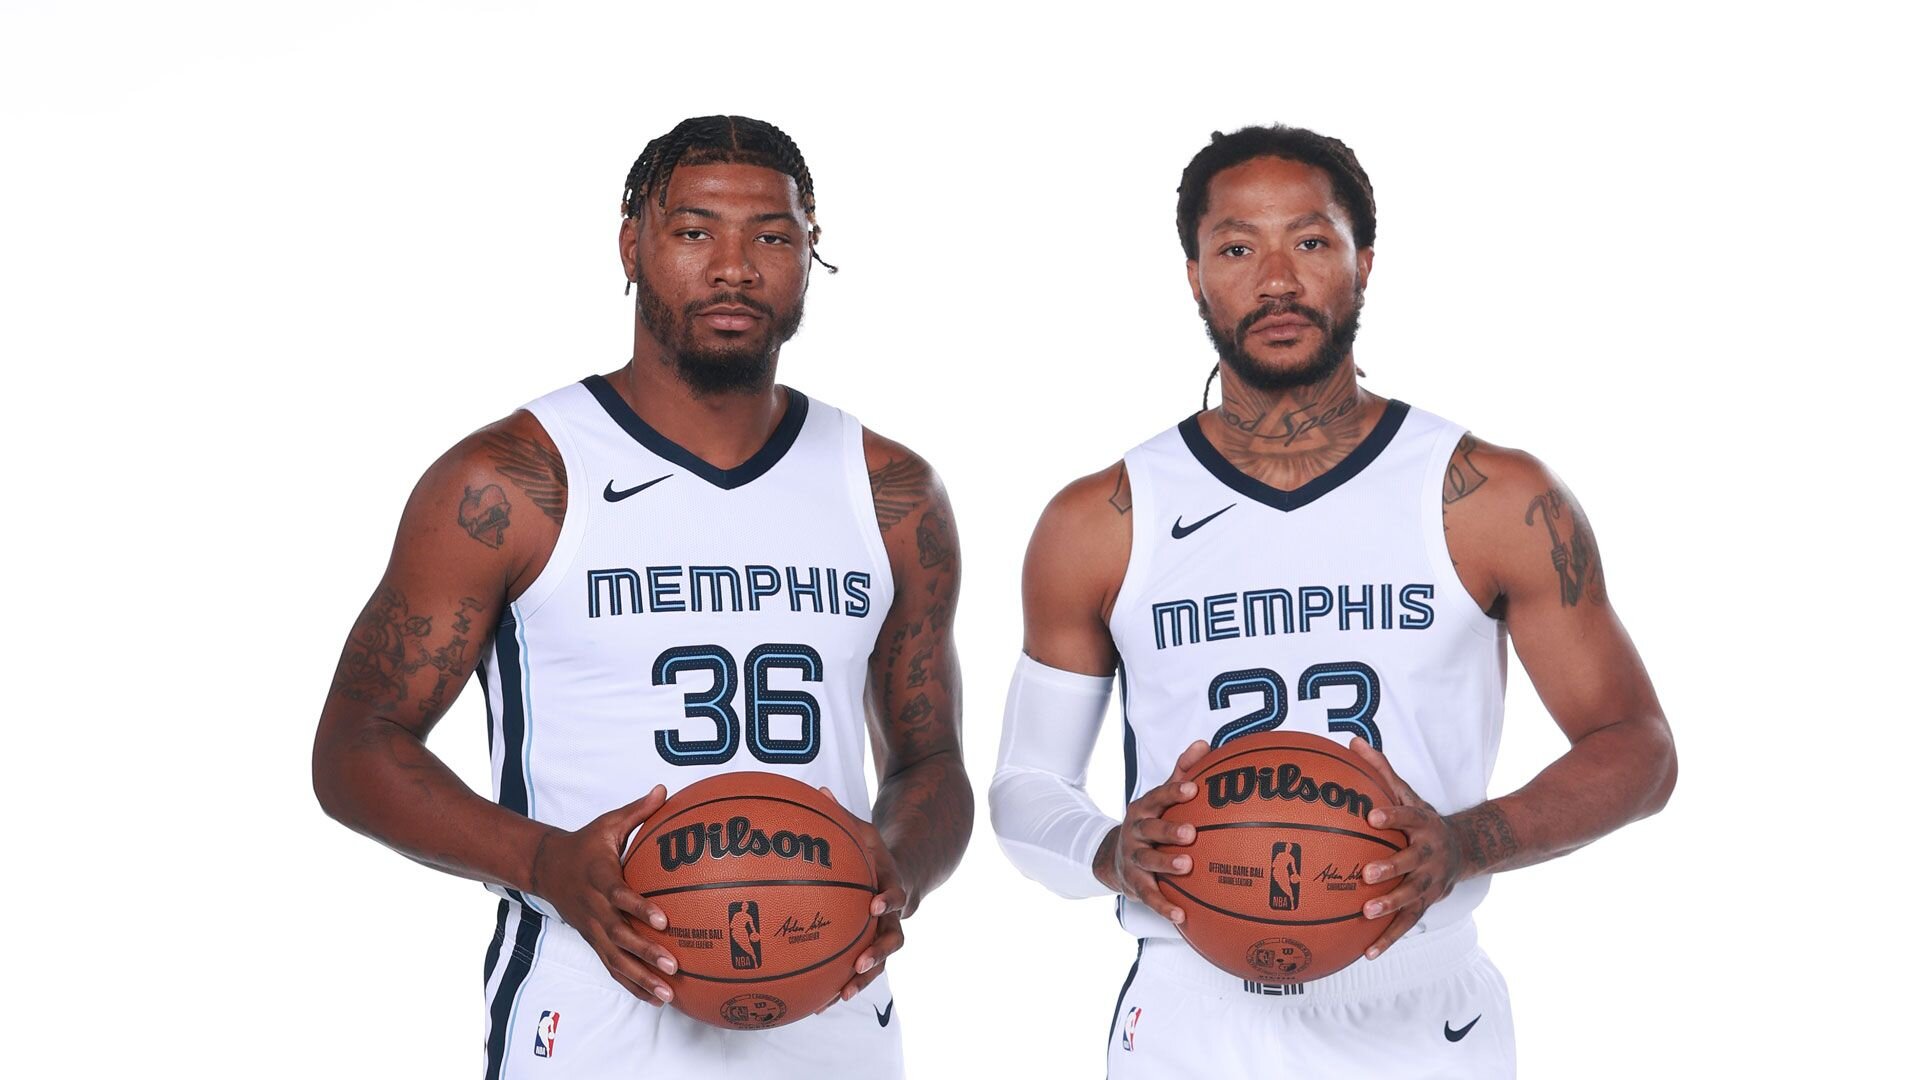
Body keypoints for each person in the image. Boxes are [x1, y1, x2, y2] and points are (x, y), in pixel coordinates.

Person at [988, 124, 1676, 1077]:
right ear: (1194, 275)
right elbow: (1027, 789)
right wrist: (1109, 850)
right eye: (1238, 248)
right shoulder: (1102, 519)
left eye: (1311, 242)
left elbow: (1637, 748)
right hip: (1196, 1007)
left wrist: (1464, 842)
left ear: (1363, 263)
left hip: (1421, 1004)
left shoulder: (1489, 497)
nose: (1277, 279)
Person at [312, 115, 970, 1079]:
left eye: (773, 237)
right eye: (696, 231)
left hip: (830, 1022)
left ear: (810, 252)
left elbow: (931, 761)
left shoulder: (889, 491)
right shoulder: (512, 480)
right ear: (633, 245)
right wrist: (543, 864)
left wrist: (897, 871)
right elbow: (354, 747)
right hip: (590, 1026)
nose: (736, 268)